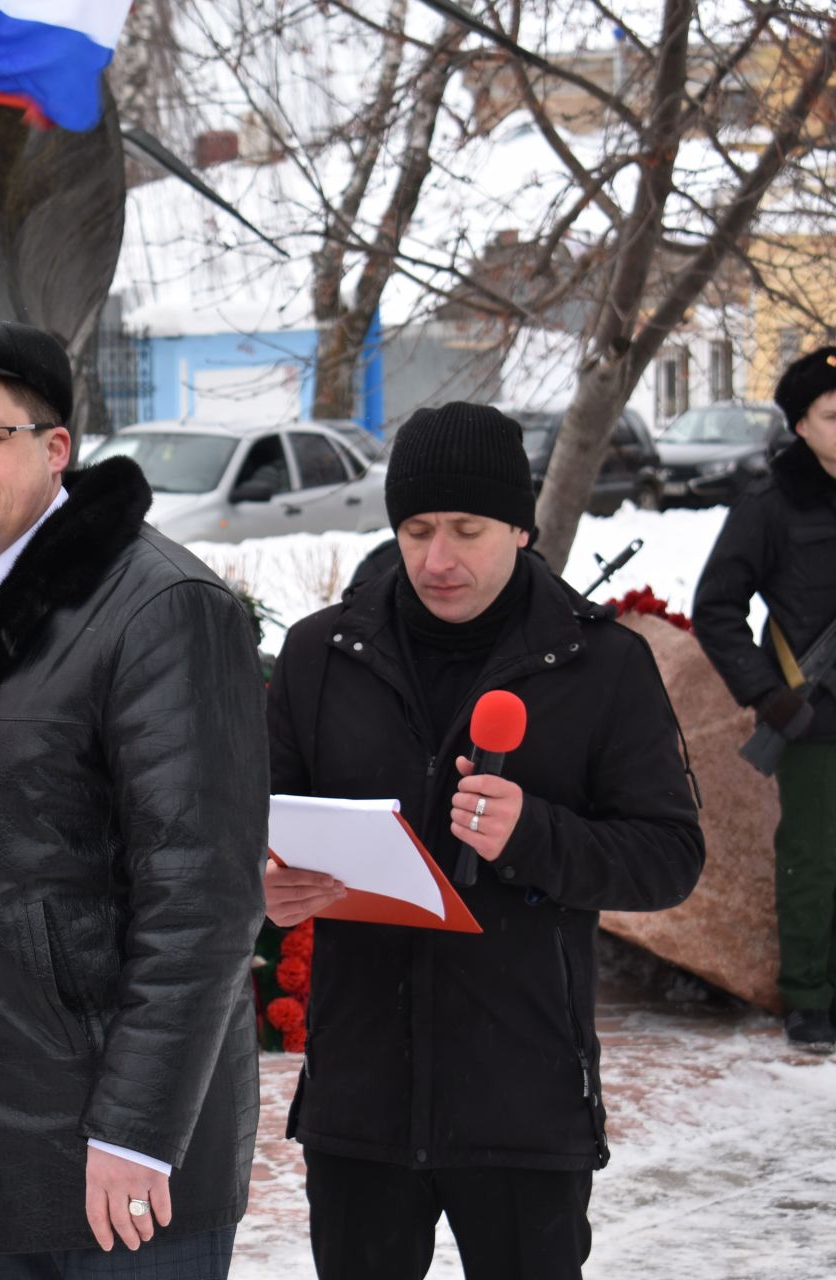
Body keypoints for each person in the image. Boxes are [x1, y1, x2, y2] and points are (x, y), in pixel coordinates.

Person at [263, 402, 704, 1280]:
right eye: (417, 528)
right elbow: (257, 821)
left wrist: (533, 834)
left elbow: (668, 856)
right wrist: (265, 890)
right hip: (362, 1102)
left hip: (523, 1101)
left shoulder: (600, 664)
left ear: (520, 526)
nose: (437, 558)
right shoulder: (321, 654)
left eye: (467, 530)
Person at [0, 320, 269, 1277]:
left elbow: (201, 895)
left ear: (56, 449)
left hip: (123, 1159)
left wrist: (135, 1132)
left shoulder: (160, 606)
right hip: (4, 1131)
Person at [694, 346, 836, 1051]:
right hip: (816, 720)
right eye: (835, 416)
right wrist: (767, 695)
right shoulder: (772, 504)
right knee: (814, 860)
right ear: (802, 426)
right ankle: (811, 997)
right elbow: (715, 607)